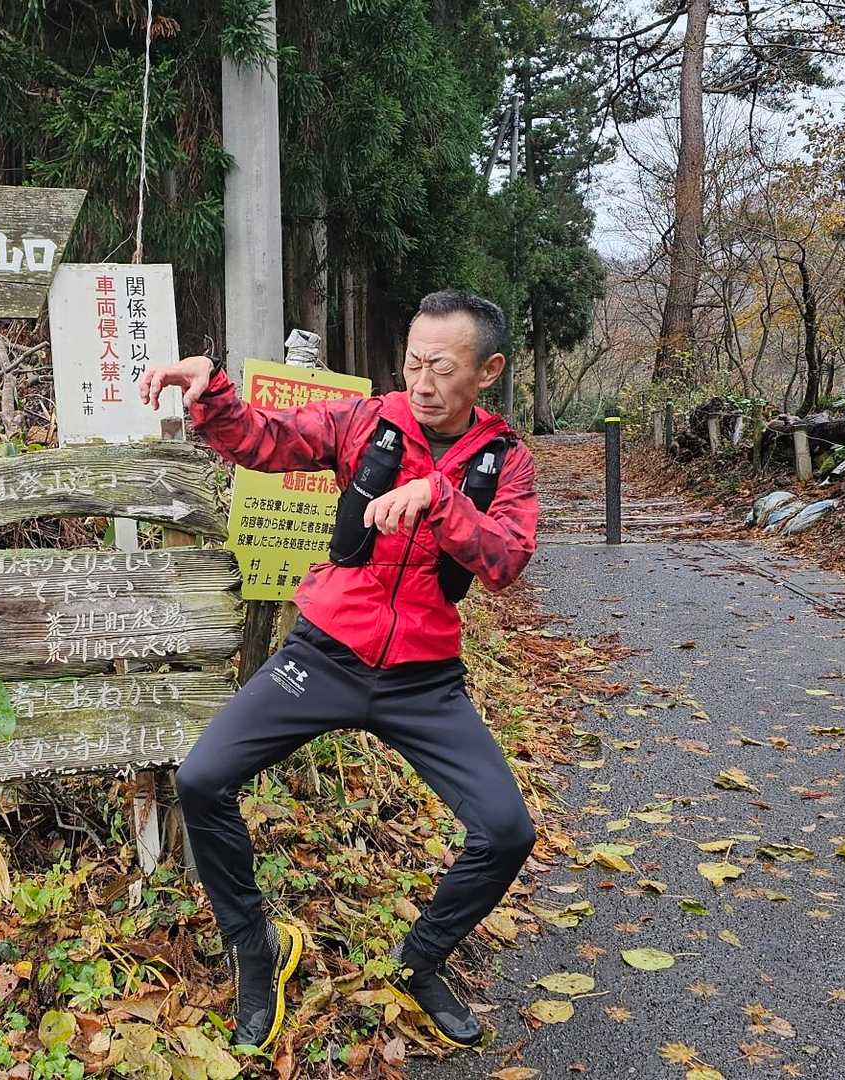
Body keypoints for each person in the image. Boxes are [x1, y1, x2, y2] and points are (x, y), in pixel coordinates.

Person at [135, 290, 541, 1051]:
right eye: (412, 363)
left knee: (507, 830)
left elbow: (506, 559)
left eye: (441, 367)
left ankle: (420, 962)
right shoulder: (366, 421)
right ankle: (256, 948)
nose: (421, 382)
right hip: (323, 655)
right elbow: (267, 440)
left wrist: (439, 498)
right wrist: (212, 391)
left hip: (424, 678)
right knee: (202, 779)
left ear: (487, 372)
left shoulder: (504, 460)